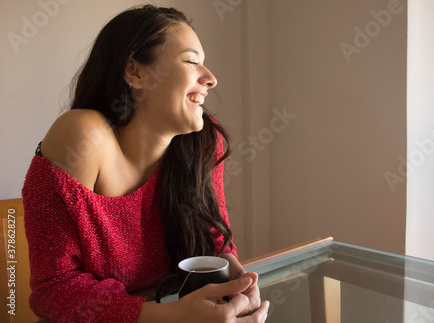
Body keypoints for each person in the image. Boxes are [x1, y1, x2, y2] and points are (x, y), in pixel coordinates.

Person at [22, 5, 269, 322]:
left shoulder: (203, 143)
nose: (211, 78)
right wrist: (172, 317)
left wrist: (234, 278)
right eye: (192, 61)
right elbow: (54, 290)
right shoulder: (83, 137)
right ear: (135, 73)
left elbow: (213, 239)